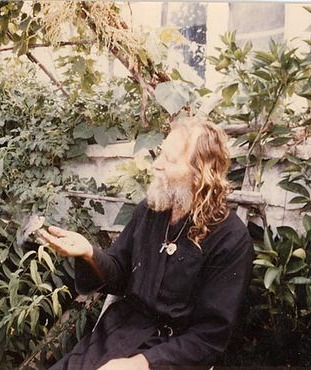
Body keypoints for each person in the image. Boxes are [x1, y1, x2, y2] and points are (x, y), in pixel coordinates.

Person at [38, 116, 254, 370]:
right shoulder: (151, 211)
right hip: (118, 335)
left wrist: (139, 364)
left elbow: (208, 338)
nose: (156, 165)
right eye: (160, 154)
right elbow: (119, 276)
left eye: (170, 160)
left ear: (199, 175)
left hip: (171, 357)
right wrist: (88, 253)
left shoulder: (231, 239)